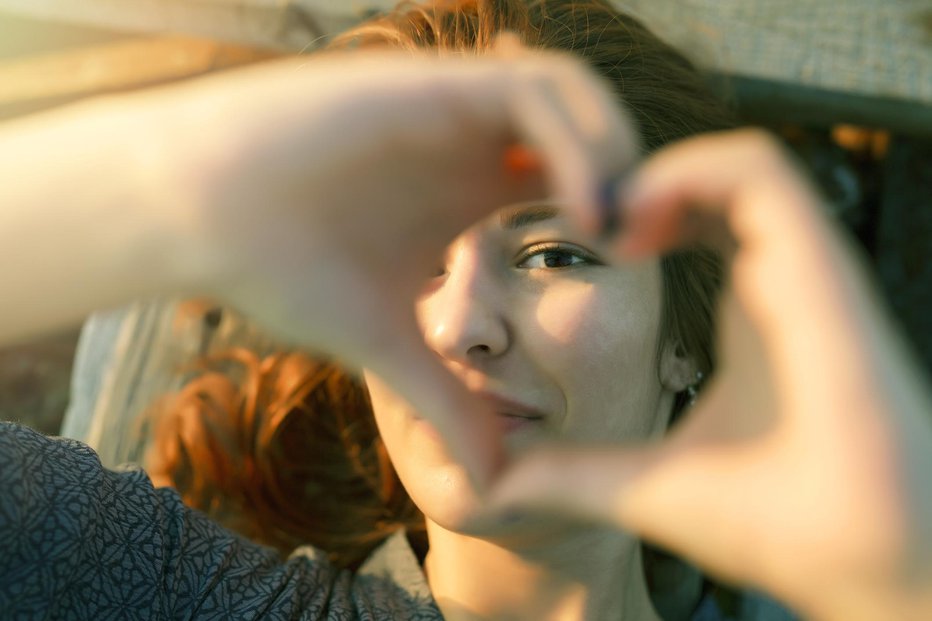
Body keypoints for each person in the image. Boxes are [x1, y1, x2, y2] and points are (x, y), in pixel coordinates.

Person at [0, 2, 930, 621]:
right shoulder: (186, 597)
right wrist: (159, 189)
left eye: (553, 253)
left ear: (686, 341)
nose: (460, 327)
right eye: (414, 262)